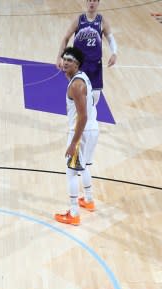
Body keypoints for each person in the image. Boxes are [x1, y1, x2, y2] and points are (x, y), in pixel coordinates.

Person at [54, 46, 98, 227]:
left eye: (69, 60)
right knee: (84, 166)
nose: (65, 62)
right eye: (64, 59)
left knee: (71, 173)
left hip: (80, 132)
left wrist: (73, 143)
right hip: (92, 129)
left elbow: (83, 116)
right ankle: (88, 200)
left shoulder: (76, 85)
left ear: (77, 64)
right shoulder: (83, 78)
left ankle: (74, 213)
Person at [55, 0, 117, 106]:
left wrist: (114, 53)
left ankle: (88, 120)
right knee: (77, 97)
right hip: (79, 65)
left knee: (95, 97)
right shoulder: (79, 20)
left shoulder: (102, 21)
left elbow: (110, 39)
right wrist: (59, 58)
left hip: (95, 65)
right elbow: (66, 38)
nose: (92, 3)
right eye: (89, 0)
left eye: (94, 1)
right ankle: (78, 120)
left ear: (98, 3)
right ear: (86, 2)